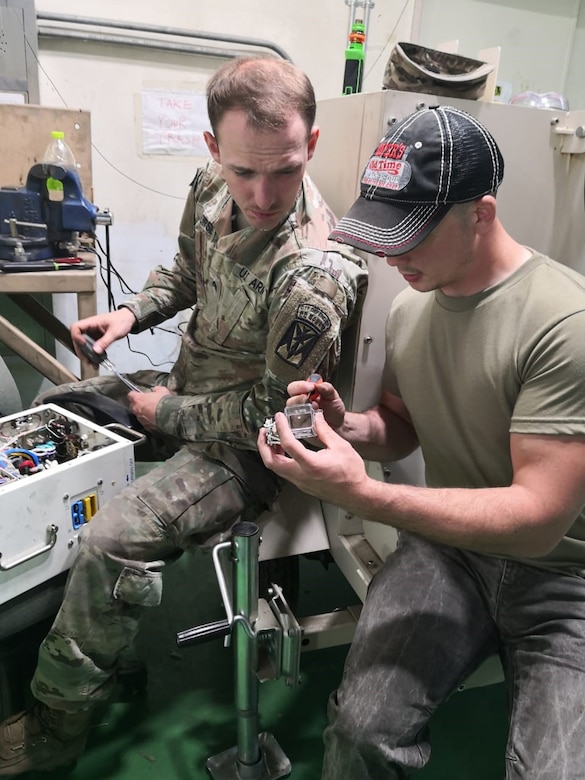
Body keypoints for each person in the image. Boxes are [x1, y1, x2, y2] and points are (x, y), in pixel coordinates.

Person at [0, 56, 367, 775]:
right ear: (212, 152)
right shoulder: (212, 187)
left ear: (311, 146)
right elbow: (186, 272)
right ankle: (91, 630)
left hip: (245, 451)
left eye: (284, 171)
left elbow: (272, 412)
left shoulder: (312, 280)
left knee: (111, 538)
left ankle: (57, 724)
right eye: (242, 171)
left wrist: (161, 407)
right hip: (182, 387)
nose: (262, 195)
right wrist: (132, 311)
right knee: (54, 413)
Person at [257, 104, 585, 779]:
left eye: (410, 234)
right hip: (450, 558)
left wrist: (366, 496)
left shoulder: (563, 324)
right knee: (359, 732)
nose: (390, 253)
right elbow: (404, 424)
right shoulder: (411, 306)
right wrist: (346, 426)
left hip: (562, 578)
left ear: (481, 214)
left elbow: (536, 523)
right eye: (382, 230)